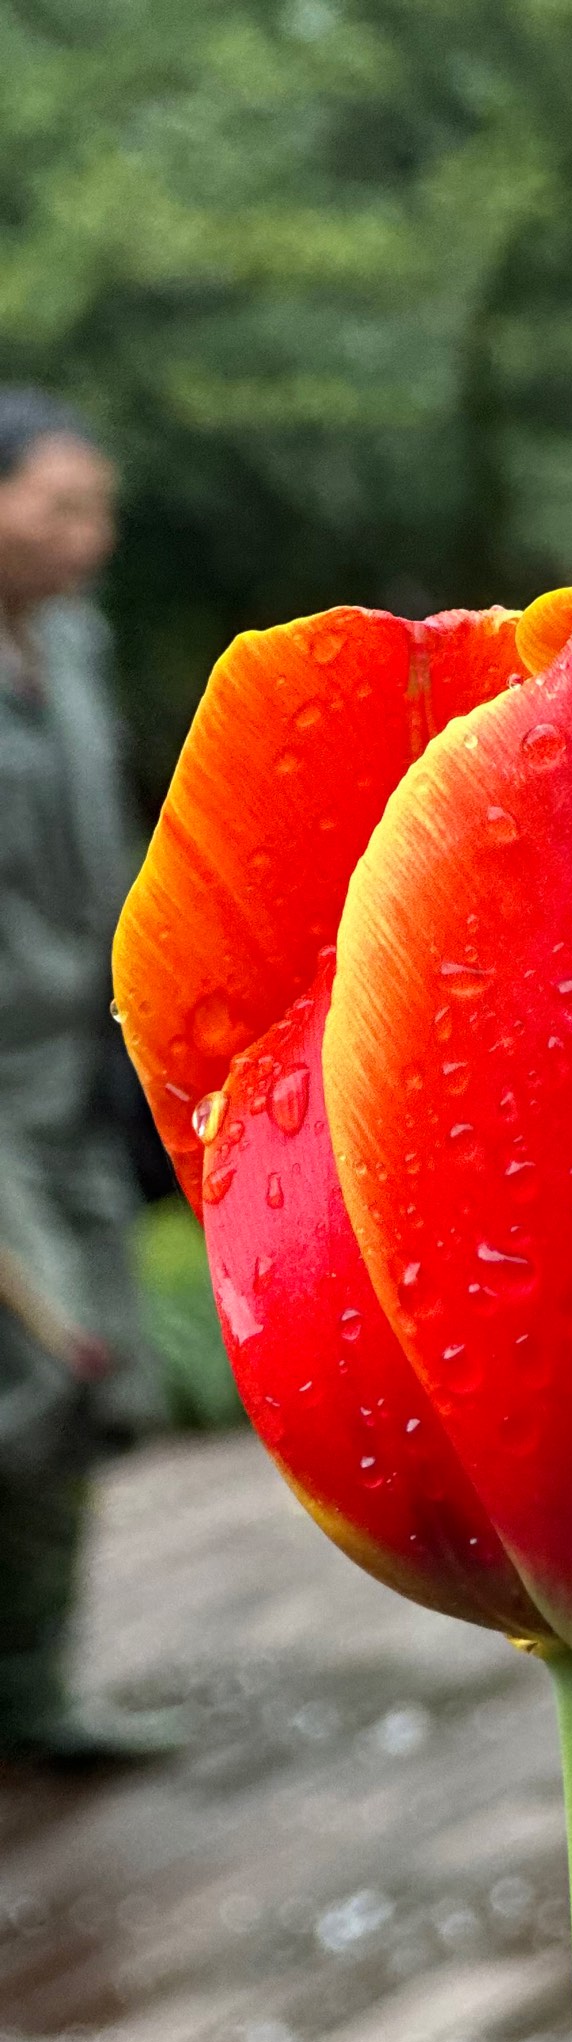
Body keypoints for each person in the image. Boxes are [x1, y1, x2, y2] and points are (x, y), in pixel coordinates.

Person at [0, 387, 172, 1766]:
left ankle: (33, 1690)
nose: (88, 535)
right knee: (36, 1354)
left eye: (94, 507)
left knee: (88, 1372)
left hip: (72, 1061)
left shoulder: (74, 641)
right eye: (59, 504)